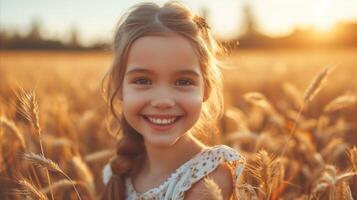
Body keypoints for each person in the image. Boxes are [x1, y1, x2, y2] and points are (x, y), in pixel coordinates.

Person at [101, 1, 245, 199]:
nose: (163, 101)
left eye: (183, 81)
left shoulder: (211, 178)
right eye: (143, 80)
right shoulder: (117, 174)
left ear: (206, 88)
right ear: (119, 88)